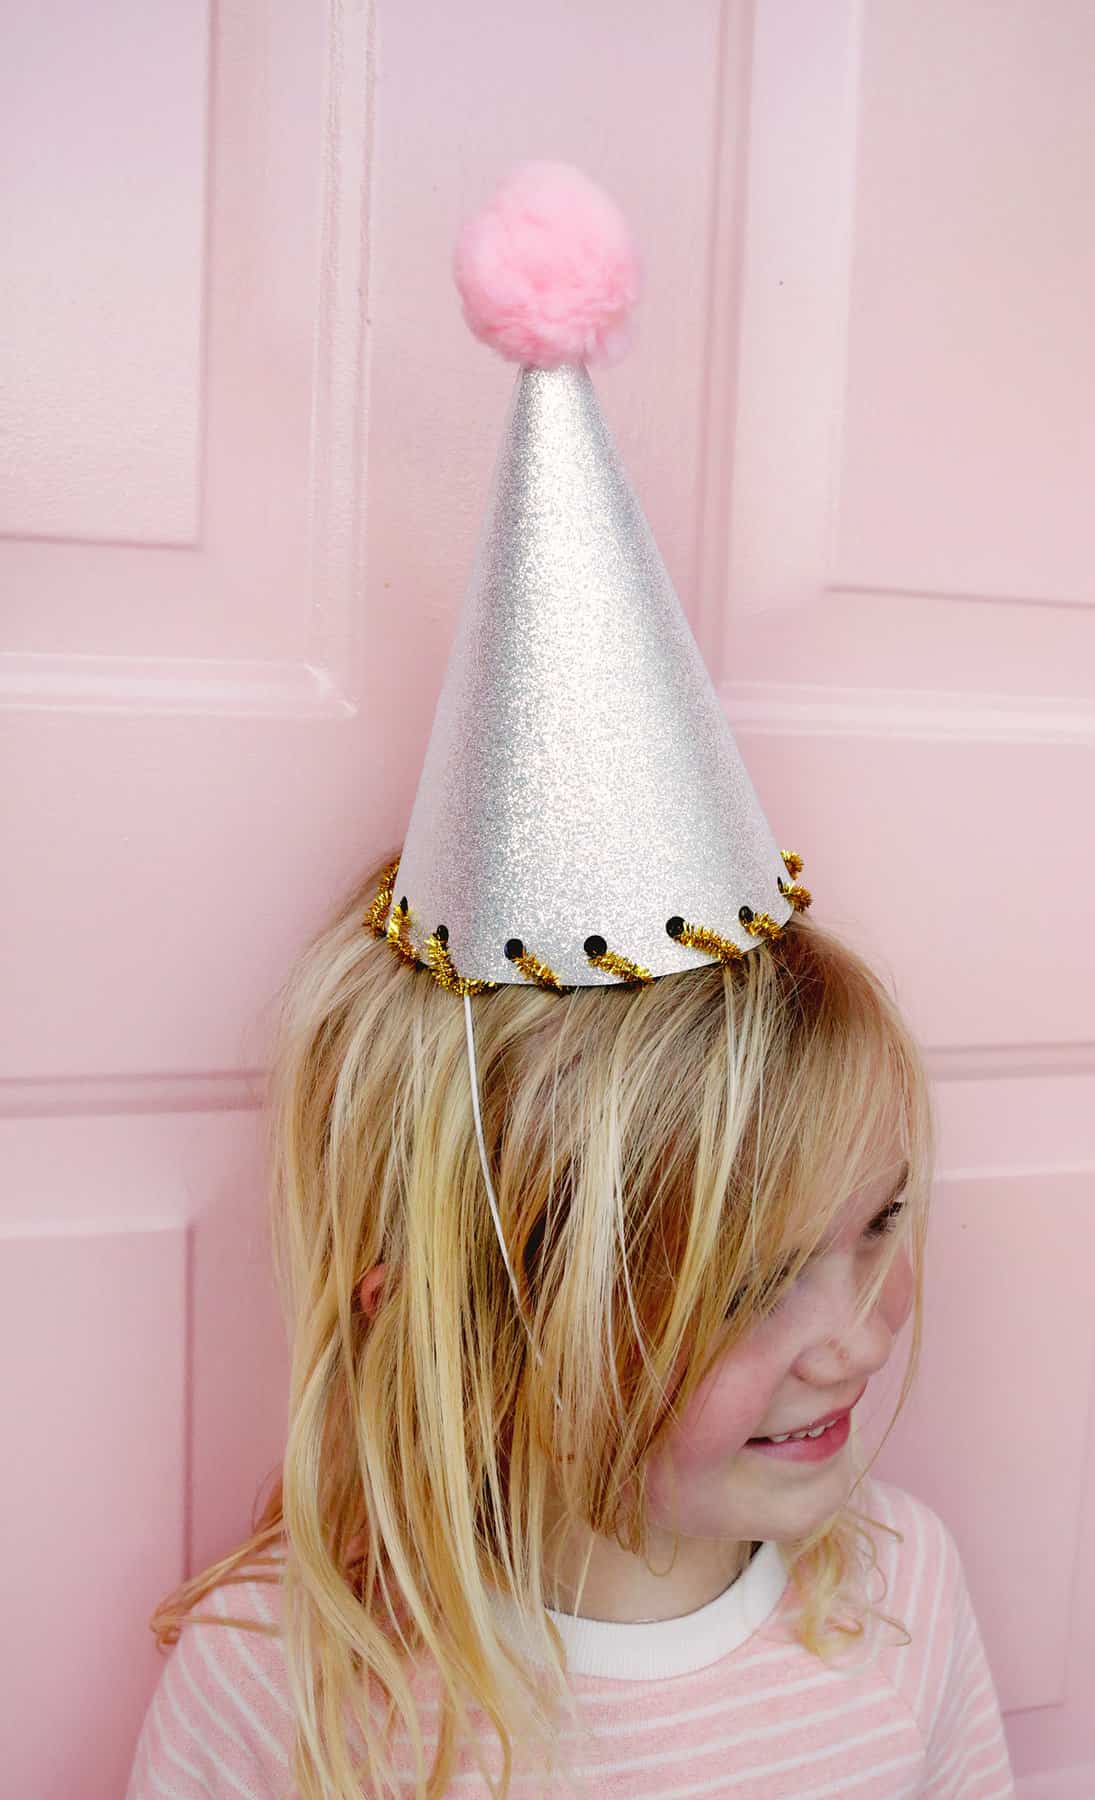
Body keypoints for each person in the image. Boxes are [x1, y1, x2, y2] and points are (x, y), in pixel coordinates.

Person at [125, 162, 1015, 1799]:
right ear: (466, 1286)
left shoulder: (900, 1601)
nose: (853, 1340)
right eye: (746, 1285)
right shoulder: (296, 1683)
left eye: (878, 1223)